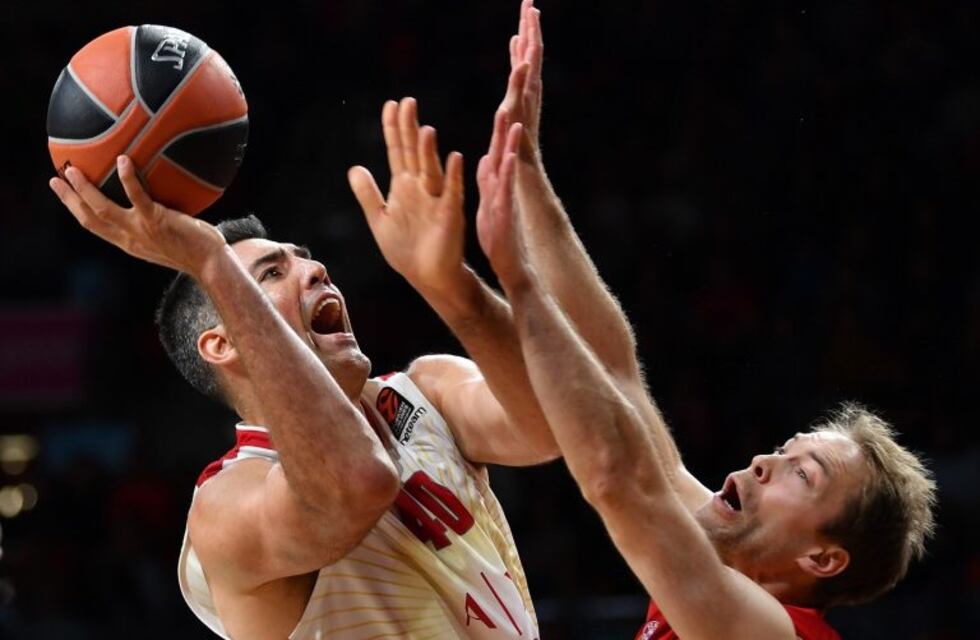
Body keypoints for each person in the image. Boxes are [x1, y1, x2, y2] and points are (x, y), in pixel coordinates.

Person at [432, 2, 936, 639]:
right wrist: (526, 169)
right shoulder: (721, 555)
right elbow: (616, 371)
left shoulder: (775, 632)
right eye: (785, 452)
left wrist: (518, 281)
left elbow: (617, 480)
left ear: (822, 559)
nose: (763, 462)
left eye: (802, 475)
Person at [47, 95, 559, 636]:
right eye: (270, 275)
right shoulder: (226, 504)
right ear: (223, 344)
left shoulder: (426, 391)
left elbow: (552, 426)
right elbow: (354, 481)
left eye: (303, 256)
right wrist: (213, 265)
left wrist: (454, 287)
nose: (316, 270)